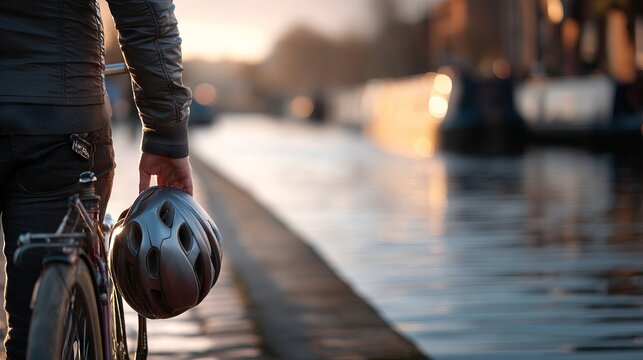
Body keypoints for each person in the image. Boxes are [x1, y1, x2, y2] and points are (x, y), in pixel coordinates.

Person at [0, 0, 193, 357]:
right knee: (35, 322)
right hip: (59, 122)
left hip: (58, 118)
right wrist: (166, 132)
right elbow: (144, 10)